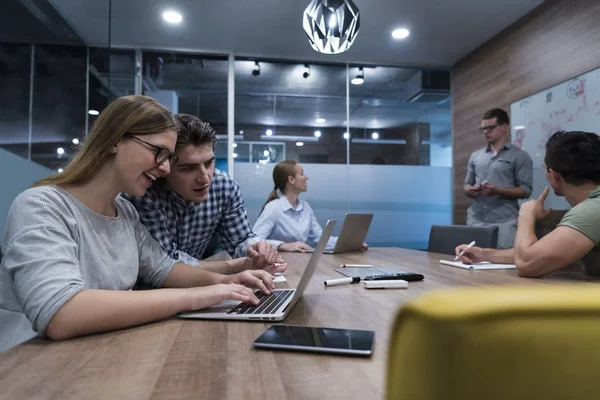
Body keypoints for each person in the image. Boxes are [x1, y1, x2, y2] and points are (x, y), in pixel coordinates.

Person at [0, 95, 274, 347]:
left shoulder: (124, 211)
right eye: (159, 152)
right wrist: (199, 295)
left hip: (93, 352)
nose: (165, 168)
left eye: (169, 158)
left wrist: (226, 282)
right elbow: (60, 313)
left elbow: (162, 268)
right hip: (26, 365)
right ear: (115, 140)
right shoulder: (41, 205)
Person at [123, 114, 286, 274]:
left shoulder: (224, 186)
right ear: (165, 168)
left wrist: (256, 248)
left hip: (198, 286)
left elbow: (241, 239)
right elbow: (166, 262)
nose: (204, 177)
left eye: (209, 163)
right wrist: (235, 267)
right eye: (188, 168)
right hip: (148, 294)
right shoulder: (145, 192)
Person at [455, 130, 600, 278]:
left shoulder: (591, 211)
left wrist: (526, 214)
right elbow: (544, 252)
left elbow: (527, 263)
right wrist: (485, 254)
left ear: (554, 176)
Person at [253, 160, 368, 252]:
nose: (306, 177)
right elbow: (254, 240)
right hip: (278, 266)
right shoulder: (273, 208)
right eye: (302, 174)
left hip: (300, 263)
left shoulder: (305, 207)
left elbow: (320, 239)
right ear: (291, 179)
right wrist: (283, 245)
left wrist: (349, 242)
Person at [463, 108, 533, 249]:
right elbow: (466, 185)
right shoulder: (476, 156)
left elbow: (526, 190)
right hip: (476, 219)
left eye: (490, 128)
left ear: (504, 127)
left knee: (503, 265)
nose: (485, 132)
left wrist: (498, 190)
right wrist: (470, 190)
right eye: (483, 129)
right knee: (472, 263)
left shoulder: (519, 156)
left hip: (505, 222)